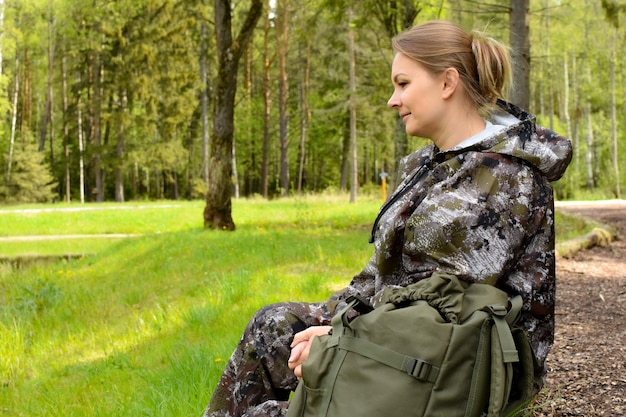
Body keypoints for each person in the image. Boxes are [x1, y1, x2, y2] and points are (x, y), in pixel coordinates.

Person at [203, 20, 572, 417]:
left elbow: (443, 301)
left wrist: (339, 336)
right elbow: (383, 275)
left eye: (403, 83)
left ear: (447, 83)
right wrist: (336, 318)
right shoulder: (429, 165)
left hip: (464, 363)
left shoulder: (503, 177)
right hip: (406, 337)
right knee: (273, 327)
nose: (392, 100)